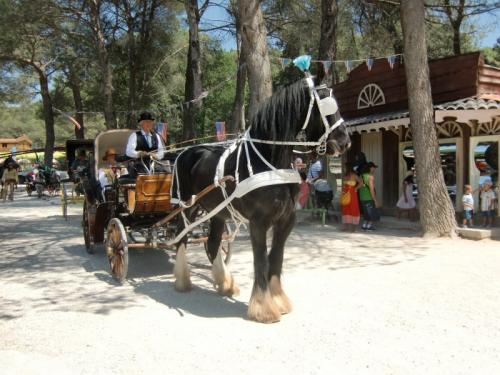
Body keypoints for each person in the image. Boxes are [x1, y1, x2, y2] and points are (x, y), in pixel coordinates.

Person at [126, 111, 165, 177]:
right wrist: (138, 153)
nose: (148, 124)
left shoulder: (156, 136)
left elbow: (162, 152)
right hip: (139, 166)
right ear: (141, 124)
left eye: (150, 122)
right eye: (146, 122)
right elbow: (128, 151)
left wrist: (156, 156)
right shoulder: (135, 135)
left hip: (155, 166)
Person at [358, 162, 379, 230]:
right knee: (371, 212)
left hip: (362, 197)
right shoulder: (370, 177)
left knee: (365, 212)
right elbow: (371, 189)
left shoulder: (361, 176)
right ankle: (369, 226)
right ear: (370, 168)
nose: (374, 169)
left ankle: (364, 225)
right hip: (369, 197)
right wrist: (375, 200)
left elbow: (360, 185)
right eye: (374, 168)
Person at [340, 163, 362, 232]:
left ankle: (354, 228)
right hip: (346, 193)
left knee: (353, 209)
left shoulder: (354, 175)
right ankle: (346, 227)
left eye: (345, 167)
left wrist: (356, 189)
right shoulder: (345, 175)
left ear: (347, 168)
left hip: (352, 194)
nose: (344, 168)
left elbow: (361, 183)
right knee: (346, 209)